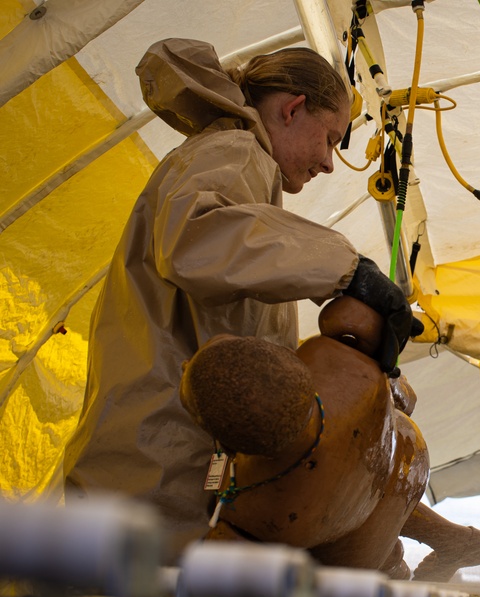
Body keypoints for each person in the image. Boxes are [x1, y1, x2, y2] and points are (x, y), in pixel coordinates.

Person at [64, 37, 419, 563]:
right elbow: (196, 237)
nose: (328, 163)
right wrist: (348, 271)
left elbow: (237, 322)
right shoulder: (232, 151)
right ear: (293, 108)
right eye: (330, 139)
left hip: (165, 468)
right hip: (153, 471)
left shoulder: (246, 170)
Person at [181, 295, 480, 580]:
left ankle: (440, 555)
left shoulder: (261, 509)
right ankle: (459, 544)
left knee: (379, 560)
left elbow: (214, 572)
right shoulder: (332, 359)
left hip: (358, 533)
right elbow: (404, 395)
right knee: (385, 509)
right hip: (404, 455)